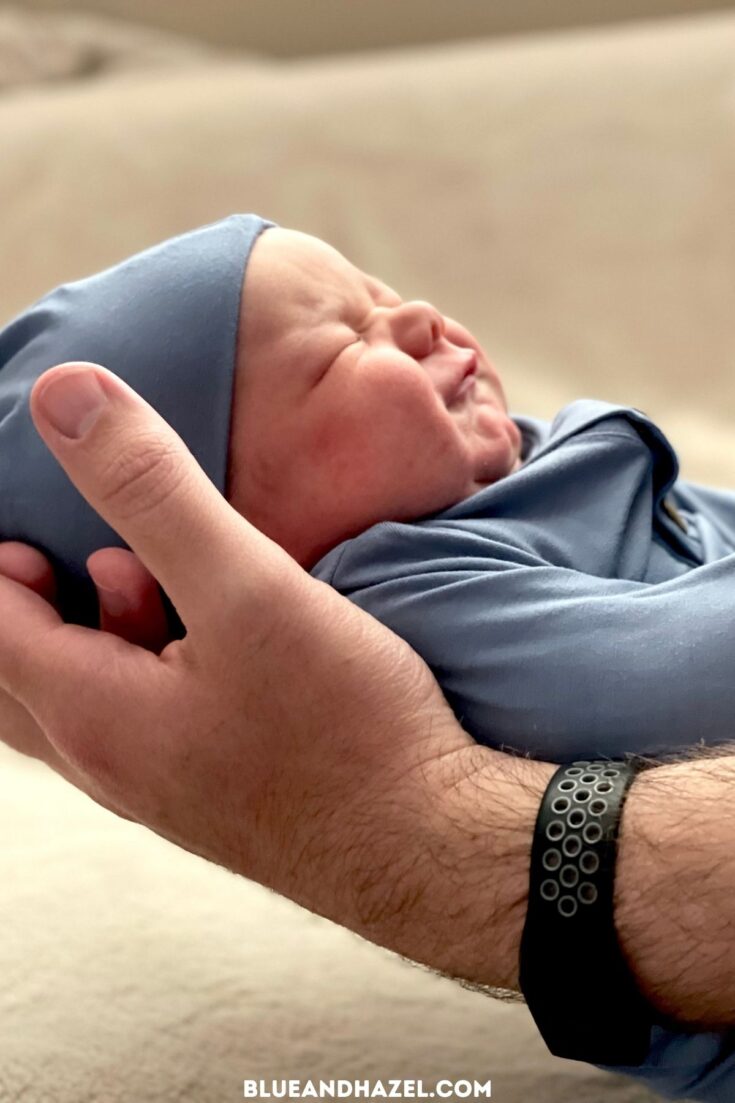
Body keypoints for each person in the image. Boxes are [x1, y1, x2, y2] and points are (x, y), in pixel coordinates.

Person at [1, 214, 735, 1099]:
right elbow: (681, 678)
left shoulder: (535, 467)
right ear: (231, 541)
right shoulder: (403, 591)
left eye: (379, 296)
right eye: (342, 347)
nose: (422, 316)